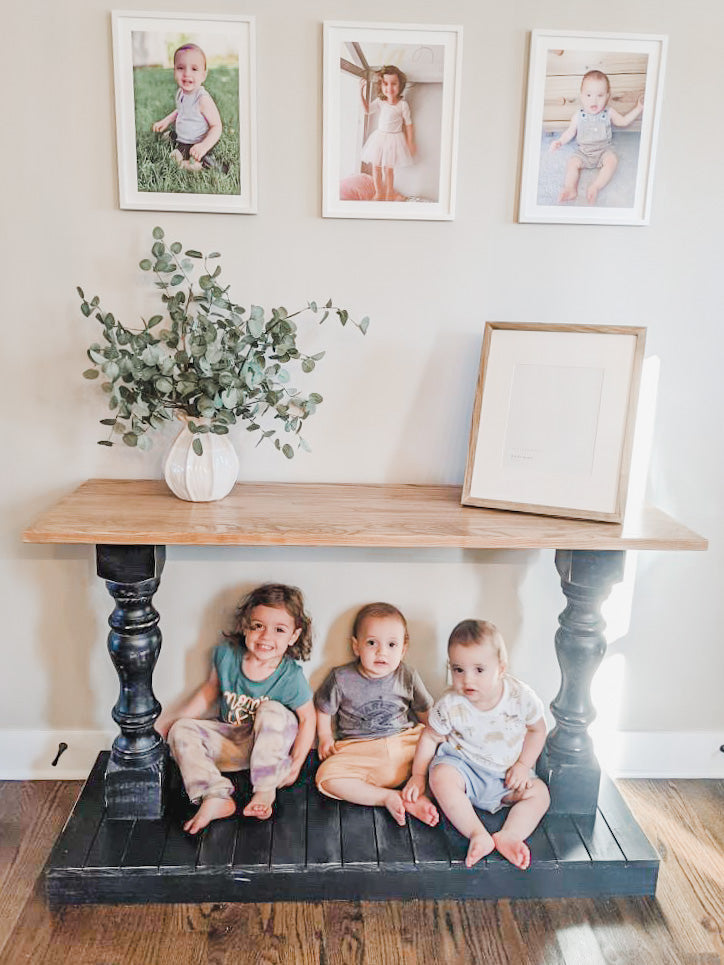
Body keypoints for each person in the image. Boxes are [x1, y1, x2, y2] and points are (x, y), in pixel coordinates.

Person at [155, 583, 316, 834]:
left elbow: (308, 719)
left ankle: (265, 790)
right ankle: (215, 795)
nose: (266, 637)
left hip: (270, 749)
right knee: (181, 729)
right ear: (245, 625)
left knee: (271, 710)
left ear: (293, 636)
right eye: (258, 626)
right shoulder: (227, 656)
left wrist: (296, 763)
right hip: (234, 742)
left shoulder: (290, 676)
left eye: (279, 630)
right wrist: (175, 720)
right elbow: (209, 692)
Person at [403, 619, 549, 869]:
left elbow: (538, 730)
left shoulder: (520, 697)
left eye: (479, 670)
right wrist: (418, 775)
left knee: (540, 795)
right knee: (440, 777)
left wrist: (524, 765)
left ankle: (510, 835)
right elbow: (430, 737)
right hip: (465, 770)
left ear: (500, 668)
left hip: (506, 777)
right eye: (458, 669)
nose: (467, 679)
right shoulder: (450, 704)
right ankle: (476, 833)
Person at [314, 602, 439, 827]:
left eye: (392, 645)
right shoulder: (341, 678)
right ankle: (388, 798)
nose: (382, 652)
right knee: (326, 777)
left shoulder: (407, 675)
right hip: (360, 750)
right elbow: (324, 709)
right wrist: (324, 737)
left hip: (404, 745)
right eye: (372, 643)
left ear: (403, 649)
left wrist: (437, 739)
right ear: (356, 646)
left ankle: (417, 795)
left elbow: (424, 711)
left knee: (442, 762)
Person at [549, 69, 644, 203]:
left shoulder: (609, 112)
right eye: (588, 95)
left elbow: (623, 122)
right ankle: (570, 189)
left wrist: (638, 108)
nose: (594, 100)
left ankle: (595, 186)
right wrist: (560, 141)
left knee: (612, 161)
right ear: (581, 96)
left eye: (600, 95)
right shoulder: (578, 116)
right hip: (583, 152)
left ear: (607, 96)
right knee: (572, 163)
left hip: (603, 150)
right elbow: (570, 132)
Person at [151, 43, 224, 172]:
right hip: (184, 137)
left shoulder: (202, 99)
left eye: (194, 69)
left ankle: (199, 165)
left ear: (203, 75)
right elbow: (180, 110)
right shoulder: (181, 93)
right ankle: (176, 140)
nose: (186, 73)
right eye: (180, 68)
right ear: (174, 70)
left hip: (197, 143)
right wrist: (166, 121)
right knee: (166, 139)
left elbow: (216, 126)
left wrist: (203, 146)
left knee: (174, 158)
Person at [359, 66, 416, 201]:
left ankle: (389, 192)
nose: (389, 88)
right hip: (379, 138)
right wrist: (361, 92)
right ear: (381, 85)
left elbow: (408, 124)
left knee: (388, 169)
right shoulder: (381, 102)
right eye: (385, 84)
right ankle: (379, 192)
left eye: (393, 84)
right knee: (376, 167)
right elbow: (367, 110)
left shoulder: (403, 105)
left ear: (400, 85)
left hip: (394, 139)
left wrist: (410, 142)